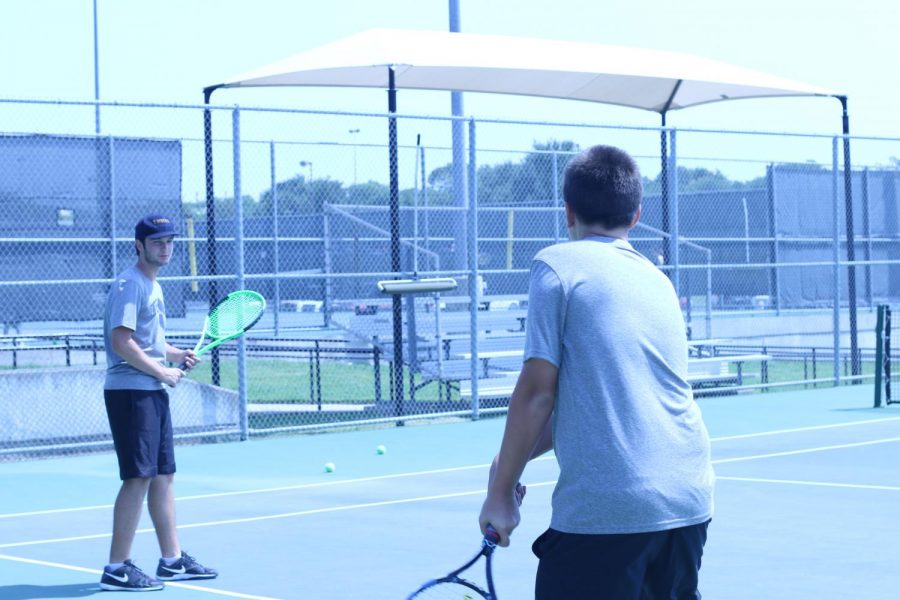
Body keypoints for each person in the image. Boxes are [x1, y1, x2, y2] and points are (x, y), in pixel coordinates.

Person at [479, 145, 715, 599]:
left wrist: (501, 491)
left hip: (610, 510)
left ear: (567, 212)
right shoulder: (658, 280)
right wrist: (507, 464)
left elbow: (537, 395)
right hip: (688, 502)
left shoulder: (556, 266)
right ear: (637, 214)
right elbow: (606, 401)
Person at [99, 214, 218, 592]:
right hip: (131, 392)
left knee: (163, 475)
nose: (165, 248)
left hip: (150, 389)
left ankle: (171, 560)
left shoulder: (154, 285)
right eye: (157, 242)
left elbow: (149, 344)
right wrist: (162, 372)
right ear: (140, 246)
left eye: (169, 242)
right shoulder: (129, 284)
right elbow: (122, 342)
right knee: (138, 477)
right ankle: (116, 568)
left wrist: (174, 354)